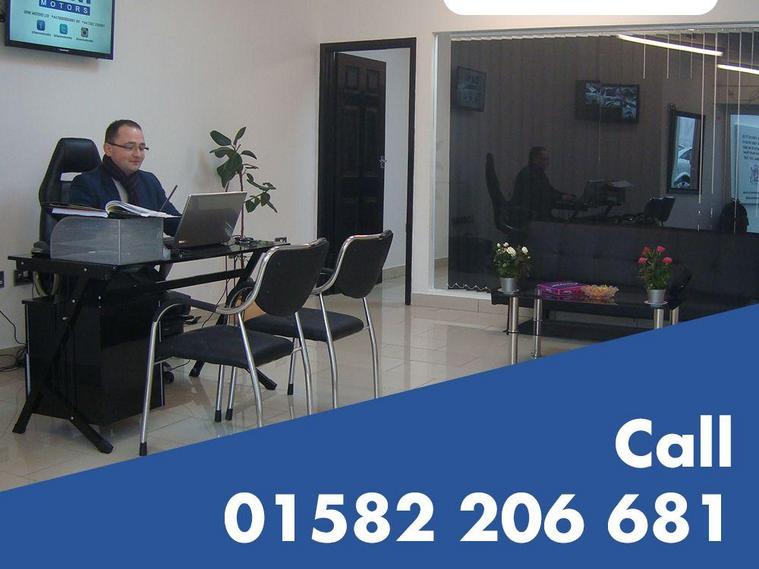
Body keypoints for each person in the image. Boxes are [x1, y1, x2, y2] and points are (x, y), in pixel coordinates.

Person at [70, 119, 181, 235]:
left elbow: (173, 222)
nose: (137, 154)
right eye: (129, 147)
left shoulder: (149, 181)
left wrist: (192, 221)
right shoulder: (86, 183)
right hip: (107, 246)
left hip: (149, 246)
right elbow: (80, 232)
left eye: (142, 148)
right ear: (108, 149)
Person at [511, 146, 573, 221]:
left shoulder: (534, 172)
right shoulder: (531, 175)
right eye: (545, 159)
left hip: (531, 215)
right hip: (532, 218)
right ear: (535, 160)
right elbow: (542, 194)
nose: (548, 163)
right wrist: (561, 197)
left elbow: (549, 190)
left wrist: (562, 195)